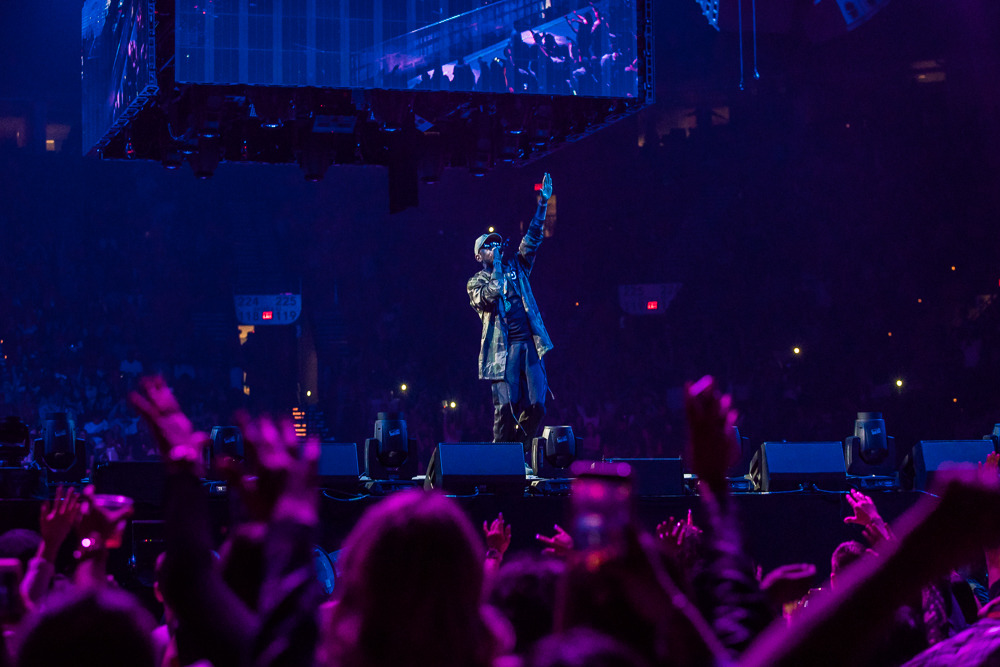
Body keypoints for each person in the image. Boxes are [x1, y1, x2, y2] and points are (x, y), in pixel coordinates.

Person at [467, 173, 554, 461]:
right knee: (505, 408)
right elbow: (490, 296)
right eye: (488, 247)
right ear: (480, 256)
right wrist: (499, 269)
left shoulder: (516, 264)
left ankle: (517, 450)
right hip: (502, 352)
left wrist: (542, 205)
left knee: (538, 405)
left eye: (495, 244)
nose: (494, 247)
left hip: (529, 342)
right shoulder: (476, 282)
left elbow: (533, 239)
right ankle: (499, 460)